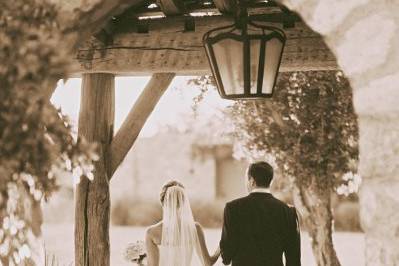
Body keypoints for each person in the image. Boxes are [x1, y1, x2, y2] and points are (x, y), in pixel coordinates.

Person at [220, 161, 301, 266]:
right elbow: (294, 260)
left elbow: (226, 255)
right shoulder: (288, 212)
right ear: (270, 182)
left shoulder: (233, 208)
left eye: (246, 179)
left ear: (252, 181)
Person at [145, 180, 220, 266]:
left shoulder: (151, 232)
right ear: (184, 203)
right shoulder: (195, 229)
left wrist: (142, 261)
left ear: (162, 202)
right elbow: (207, 263)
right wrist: (220, 248)